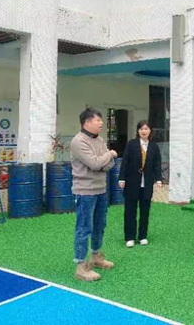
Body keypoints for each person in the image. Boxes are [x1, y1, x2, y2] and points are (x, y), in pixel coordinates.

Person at [71, 108, 117, 281]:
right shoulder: (78, 141)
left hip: (101, 190)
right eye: (98, 120)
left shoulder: (100, 140)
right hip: (85, 192)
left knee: (100, 225)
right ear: (87, 122)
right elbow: (95, 163)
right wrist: (109, 154)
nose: (101, 123)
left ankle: (96, 256)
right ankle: (81, 266)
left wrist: (103, 159)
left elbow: (108, 165)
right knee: (84, 228)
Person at [119, 120, 162, 248]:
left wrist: (158, 179)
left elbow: (157, 164)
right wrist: (121, 179)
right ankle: (130, 237)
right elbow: (125, 162)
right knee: (130, 211)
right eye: (141, 129)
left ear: (150, 131)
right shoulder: (131, 144)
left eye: (146, 129)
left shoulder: (154, 146)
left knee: (145, 211)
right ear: (138, 131)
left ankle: (142, 236)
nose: (144, 131)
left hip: (146, 184)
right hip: (131, 182)